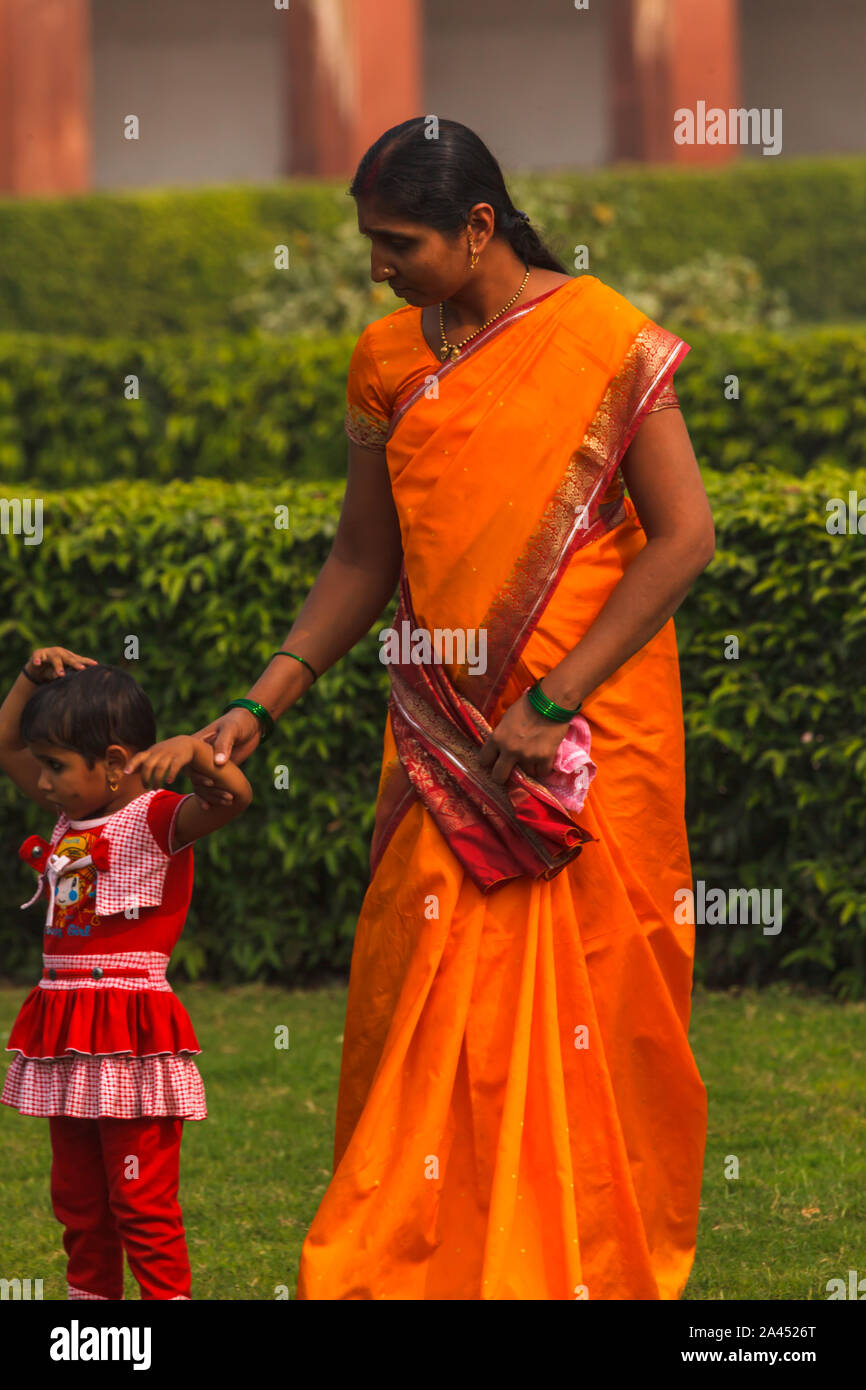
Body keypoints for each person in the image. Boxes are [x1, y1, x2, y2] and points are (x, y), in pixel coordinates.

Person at [191, 117, 714, 1299]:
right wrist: (257, 705)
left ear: (479, 227)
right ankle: (409, 1265)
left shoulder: (603, 339)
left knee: (598, 996)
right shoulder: (386, 359)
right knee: (423, 990)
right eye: (369, 241)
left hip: (585, 734)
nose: (378, 264)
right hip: (444, 741)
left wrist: (548, 701)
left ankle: (577, 1263)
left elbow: (683, 540)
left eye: (400, 241)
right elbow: (359, 561)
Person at [0, 649, 252, 1300]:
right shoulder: (71, 818)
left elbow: (234, 796)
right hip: (68, 1032)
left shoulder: (158, 818)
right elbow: (5, 744)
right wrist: (30, 677)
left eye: (55, 766)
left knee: (141, 1202)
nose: (43, 781)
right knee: (79, 1202)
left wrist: (197, 755)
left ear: (114, 764)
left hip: (129, 1037)